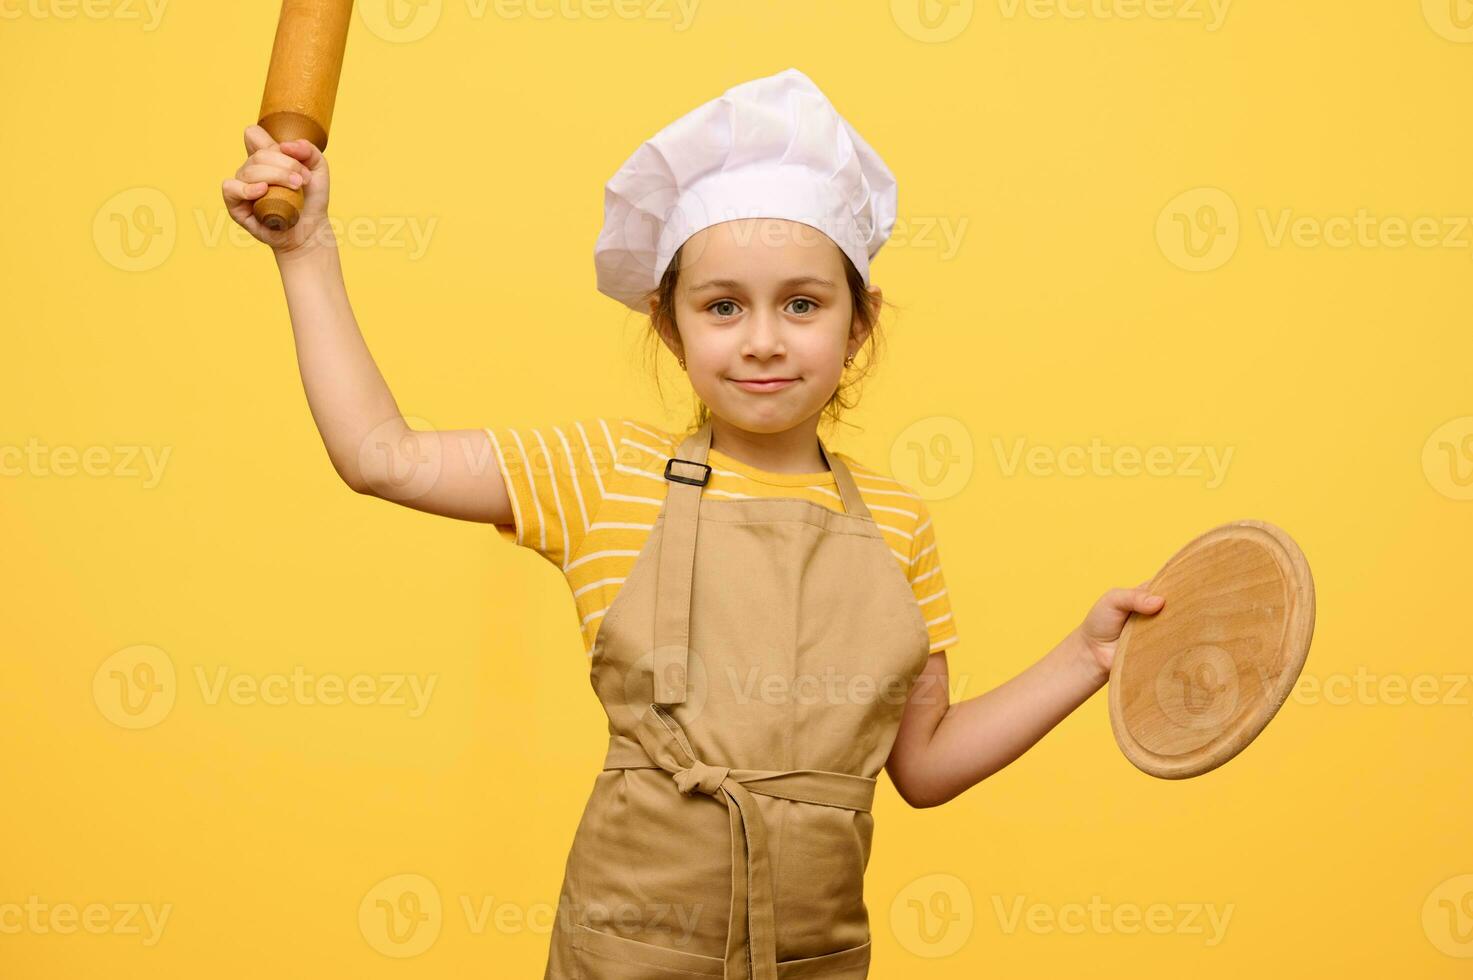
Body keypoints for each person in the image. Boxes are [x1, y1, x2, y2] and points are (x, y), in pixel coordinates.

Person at [223, 65, 1166, 980]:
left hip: (813, 960)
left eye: (802, 303)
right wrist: (307, 252)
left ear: (858, 321)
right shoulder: (601, 474)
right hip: (629, 952)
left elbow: (921, 766)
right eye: (722, 307)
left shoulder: (897, 522)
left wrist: (1083, 658)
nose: (762, 338)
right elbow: (379, 456)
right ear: (669, 325)